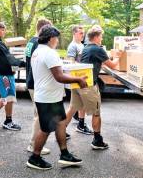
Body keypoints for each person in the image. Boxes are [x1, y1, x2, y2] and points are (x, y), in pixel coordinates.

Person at [26, 25, 87, 170]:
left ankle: (64, 154)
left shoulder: (37, 51)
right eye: (56, 38)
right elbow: (59, 76)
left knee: (60, 123)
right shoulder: (49, 53)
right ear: (51, 38)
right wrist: (78, 80)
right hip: (48, 98)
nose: (57, 41)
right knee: (46, 129)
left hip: (49, 96)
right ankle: (34, 158)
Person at [64, 25, 120, 150]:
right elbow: (113, 65)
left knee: (73, 108)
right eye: (101, 36)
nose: (102, 39)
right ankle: (97, 140)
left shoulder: (86, 48)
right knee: (96, 112)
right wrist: (118, 56)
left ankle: (61, 131)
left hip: (78, 83)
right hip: (88, 85)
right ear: (96, 37)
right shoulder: (98, 49)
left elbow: (96, 63)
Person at [0, 21, 25, 131]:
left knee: (6, 96)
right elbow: (8, 58)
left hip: (1, 73)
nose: (4, 31)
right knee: (10, 97)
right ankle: (8, 121)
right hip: (4, 75)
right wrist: (23, 63)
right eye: (2, 30)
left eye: (4, 29)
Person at [25, 18, 52, 155]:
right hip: (36, 83)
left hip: (32, 81)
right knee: (39, 115)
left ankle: (34, 143)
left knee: (38, 114)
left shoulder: (31, 41)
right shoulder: (38, 43)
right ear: (44, 29)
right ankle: (33, 144)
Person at [66, 25, 92, 135]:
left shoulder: (81, 45)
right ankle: (62, 128)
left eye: (83, 33)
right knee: (75, 106)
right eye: (80, 33)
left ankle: (81, 124)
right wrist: (82, 66)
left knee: (81, 104)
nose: (83, 35)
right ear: (74, 33)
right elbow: (71, 62)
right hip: (78, 78)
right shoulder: (72, 46)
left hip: (83, 78)